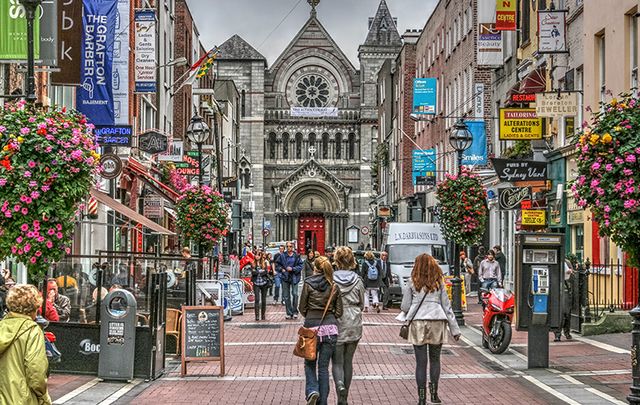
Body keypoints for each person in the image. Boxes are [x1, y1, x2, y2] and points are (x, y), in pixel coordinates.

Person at [400, 254, 461, 405]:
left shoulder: (412, 282)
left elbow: (405, 307)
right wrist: (455, 329)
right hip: (437, 320)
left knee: (421, 363)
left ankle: (421, 398)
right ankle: (434, 394)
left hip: (419, 322)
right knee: (435, 360)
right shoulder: (438, 282)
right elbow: (447, 306)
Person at [299, 256, 343, 405]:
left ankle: (312, 390)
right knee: (323, 368)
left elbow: (302, 307)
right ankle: (322, 402)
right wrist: (329, 317)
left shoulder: (308, 283)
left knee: (309, 363)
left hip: (311, 327)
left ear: (315, 268)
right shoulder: (334, 285)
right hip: (330, 329)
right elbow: (339, 311)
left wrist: (310, 316)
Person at [0, 284, 52, 404]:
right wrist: (44, 397)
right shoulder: (32, 331)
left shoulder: (1, 327)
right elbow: (36, 372)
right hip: (21, 398)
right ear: (34, 307)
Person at [331, 247, 365, 405]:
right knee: (348, 361)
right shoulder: (358, 280)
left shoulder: (331, 279)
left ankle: (339, 385)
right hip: (353, 322)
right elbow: (362, 303)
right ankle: (344, 398)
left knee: (337, 361)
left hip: (337, 321)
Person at [277, 242, 303, 319]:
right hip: (285, 277)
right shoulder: (282, 256)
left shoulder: (296, 256)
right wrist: (282, 269)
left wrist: (293, 269)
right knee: (286, 296)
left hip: (294, 277)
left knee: (295, 294)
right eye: (287, 246)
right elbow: (277, 265)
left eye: (290, 246)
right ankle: (289, 312)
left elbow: (300, 266)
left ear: (293, 247)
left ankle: (295, 311)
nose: (289, 248)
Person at [554, 259, 574, 342]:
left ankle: (566, 332)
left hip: (566, 289)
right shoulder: (555, 260)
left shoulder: (567, 262)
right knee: (558, 314)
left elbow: (572, 273)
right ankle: (557, 334)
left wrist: (570, 271)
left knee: (566, 313)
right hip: (556, 289)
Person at [251, 256, 271, 321]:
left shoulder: (264, 263)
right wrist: (260, 272)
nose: (257, 257)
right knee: (257, 299)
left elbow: (266, 272)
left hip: (264, 283)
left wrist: (258, 272)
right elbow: (253, 273)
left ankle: (263, 315)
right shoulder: (252, 263)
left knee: (263, 300)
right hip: (256, 283)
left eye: (259, 255)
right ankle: (257, 316)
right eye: (256, 255)